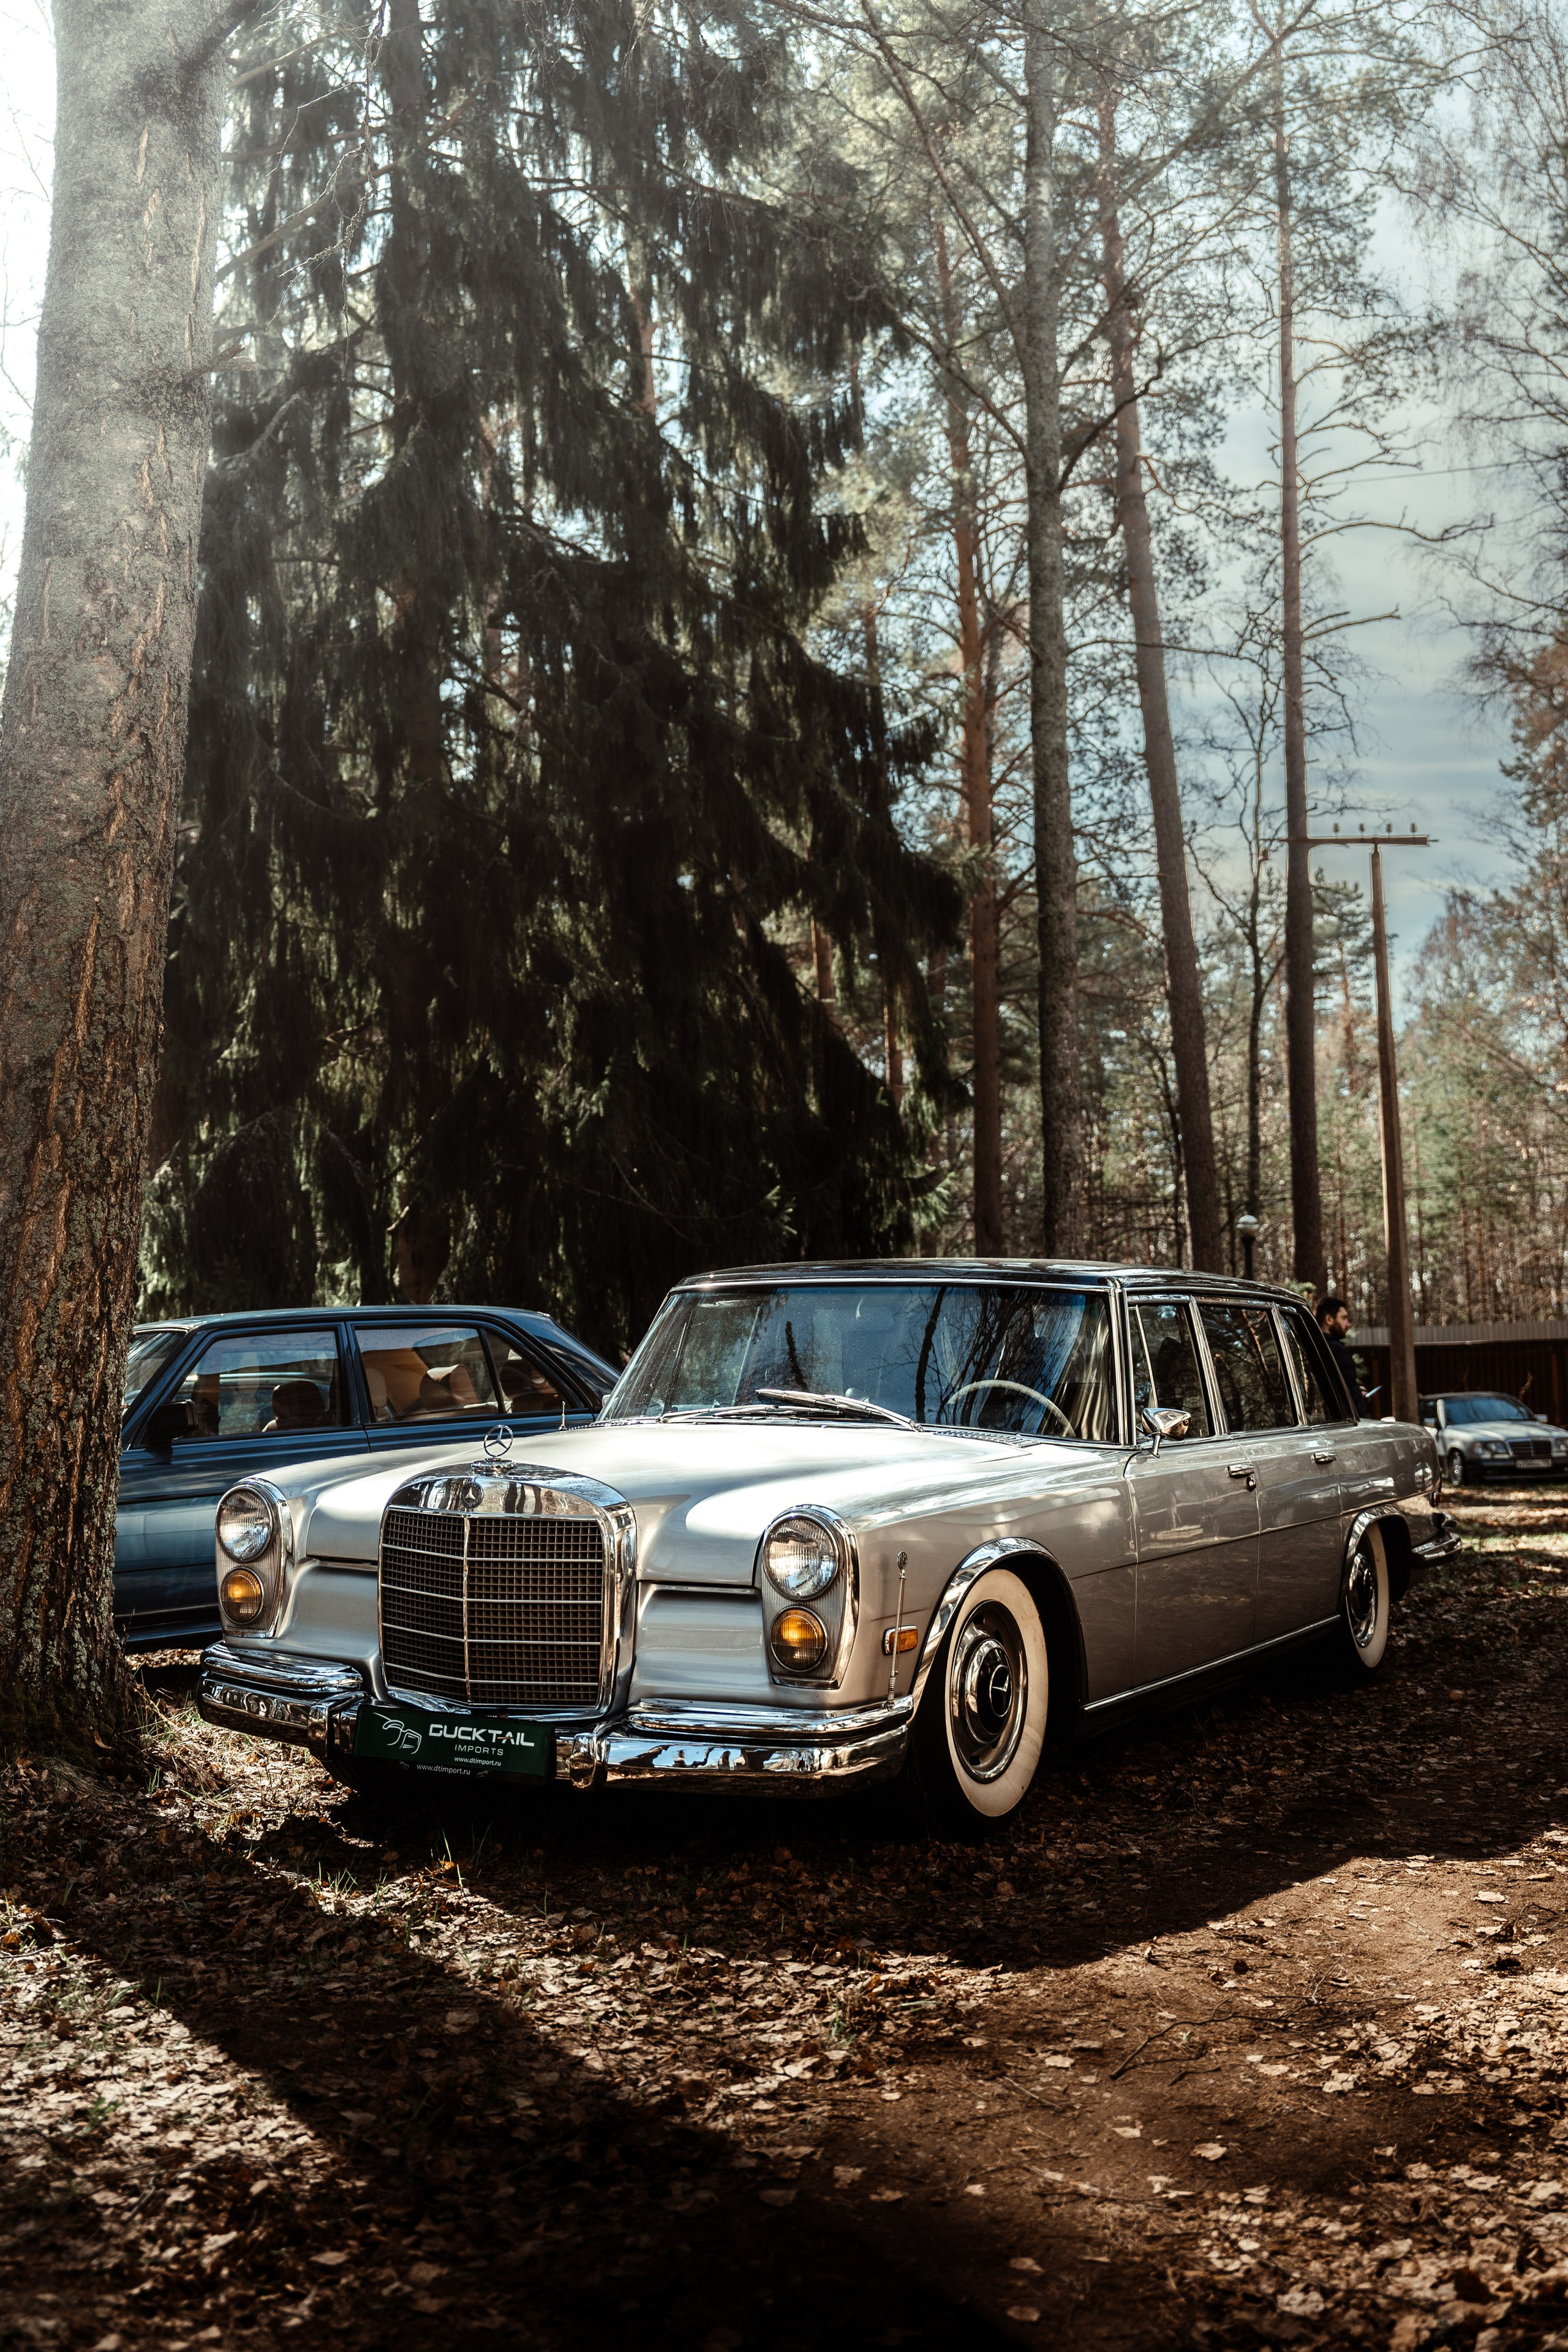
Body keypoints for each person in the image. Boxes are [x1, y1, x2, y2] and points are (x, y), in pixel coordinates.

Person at [1317, 1295, 1369, 1417]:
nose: (1348, 1324)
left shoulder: (1314, 1346)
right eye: (1344, 1318)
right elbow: (1351, 1401)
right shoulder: (1336, 1350)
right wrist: (1359, 1401)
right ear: (1329, 1319)